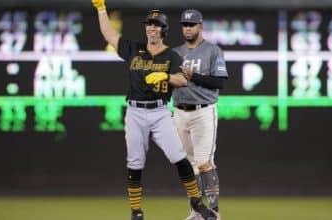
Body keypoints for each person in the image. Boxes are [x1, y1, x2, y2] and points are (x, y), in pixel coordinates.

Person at [91, 1, 217, 220]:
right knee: (135, 162)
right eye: (149, 24)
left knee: (180, 159)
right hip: (135, 111)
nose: (152, 28)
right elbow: (110, 35)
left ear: (164, 30)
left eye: (157, 25)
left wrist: (166, 76)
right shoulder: (134, 49)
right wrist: (102, 10)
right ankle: (136, 212)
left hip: (159, 112)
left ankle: (197, 205)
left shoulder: (171, 56)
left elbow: (182, 80)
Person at [173, 9, 229, 220]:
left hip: (203, 111)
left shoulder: (212, 51)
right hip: (179, 111)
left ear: (200, 26)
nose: (188, 28)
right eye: (185, 25)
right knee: (188, 165)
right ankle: (196, 212)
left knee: (204, 162)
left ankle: (214, 211)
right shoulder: (176, 52)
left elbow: (219, 82)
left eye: (192, 24)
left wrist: (193, 76)